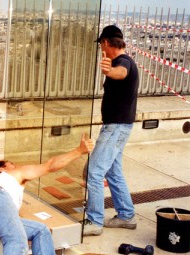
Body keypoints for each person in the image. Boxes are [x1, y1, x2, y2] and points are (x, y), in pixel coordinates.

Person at [0, 133, 94, 255]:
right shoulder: (11, 175)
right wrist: (79, 151)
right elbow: (50, 166)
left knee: (41, 230)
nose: (16, 165)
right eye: (11, 164)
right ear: (2, 169)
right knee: (17, 242)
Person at [83, 25, 139, 236]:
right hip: (119, 126)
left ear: (106, 42)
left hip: (116, 127)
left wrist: (108, 71)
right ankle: (126, 215)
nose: (101, 49)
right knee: (113, 172)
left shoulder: (123, 62)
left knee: (94, 172)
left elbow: (121, 73)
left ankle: (94, 221)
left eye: (101, 45)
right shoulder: (124, 61)